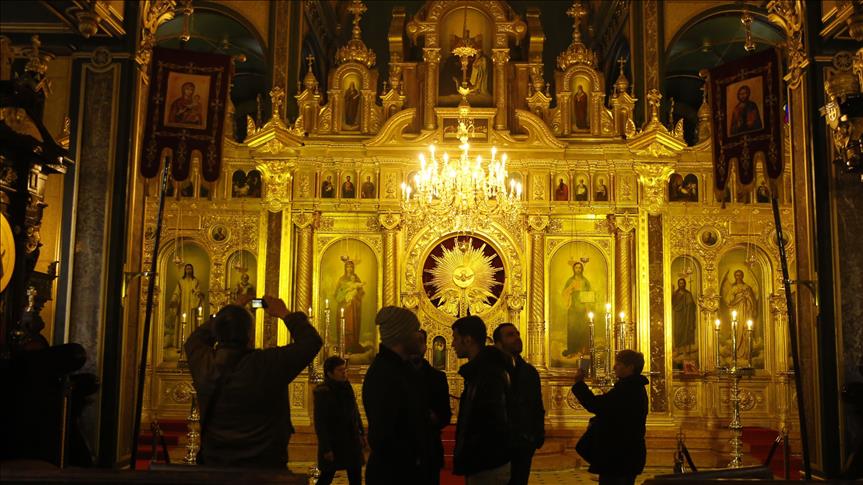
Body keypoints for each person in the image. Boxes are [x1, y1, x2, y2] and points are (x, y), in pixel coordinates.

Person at [184, 296, 323, 467]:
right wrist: (284, 313)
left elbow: (195, 339)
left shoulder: (203, 363)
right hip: (263, 464)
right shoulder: (267, 364)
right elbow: (311, 342)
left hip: (216, 462)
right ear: (250, 335)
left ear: (217, 333)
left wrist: (227, 314)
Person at [362, 306, 427, 484]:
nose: (419, 336)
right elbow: (384, 433)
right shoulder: (385, 373)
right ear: (402, 335)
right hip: (394, 474)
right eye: (415, 330)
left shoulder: (400, 368)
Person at [571, 349, 649, 485]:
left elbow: (596, 405)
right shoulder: (633, 387)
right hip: (624, 454)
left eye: (618, 364)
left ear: (630, 367)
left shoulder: (628, 389)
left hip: (619, 456)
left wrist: (579, 384)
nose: (614, 367)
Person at [452, 315, 512, 484]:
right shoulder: (482, 370)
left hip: (487, 463)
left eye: (455, 338)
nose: (452, 344)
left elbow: (491, 422)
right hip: (483, 462)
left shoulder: (488, 373)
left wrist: (472, 452)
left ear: (468, 340)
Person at [493, 323, 545, 485]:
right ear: (498, 343)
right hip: (497, 444)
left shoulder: (529, 371)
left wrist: (535, 437)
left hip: (523, 444)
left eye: (517, 334)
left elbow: (537, 406)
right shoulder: (491, 370)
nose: (517, 338)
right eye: (510, 335)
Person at [314, 356, 365, 485]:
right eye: (340, 370)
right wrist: (326, 448)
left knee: (356, 477)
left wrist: (361, 432)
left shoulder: (347, 386)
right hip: (334, 441)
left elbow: (354, 411)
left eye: (345, 370)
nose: (344, 373)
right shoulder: (323, 391)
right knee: (326, 477)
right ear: (330, 373)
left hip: (351, 440)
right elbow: (320, 422)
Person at [411, 329, 452, 485]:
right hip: (403, 451)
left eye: (420, 341)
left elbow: (445, 415)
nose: (416, 346)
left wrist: (433, 417)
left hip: (429, 448)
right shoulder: (395, 375)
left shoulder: (437, 377)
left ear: (425, 346)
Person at [168, 263, 203, 349]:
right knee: (182, 322)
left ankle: (191, 344)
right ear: (185, 270)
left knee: (192, 323)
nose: (188, 270)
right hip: (182, 305)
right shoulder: (181, 281)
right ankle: (181, 344)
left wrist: (197, 294)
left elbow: (198, 292)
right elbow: (176, 292)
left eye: (190, 269)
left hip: (192, 306)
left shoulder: (195, 281)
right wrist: (174, 299)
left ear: (192, 270)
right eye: (187, 269)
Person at [334, 258, 365, 354]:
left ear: (353, 268)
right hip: (343, 307)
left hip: (353, 308)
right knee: (343, 325)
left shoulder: (356, 278)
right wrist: (343, 295)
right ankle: (343, 345)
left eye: (351, 267)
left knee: (352, 326)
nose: (349, 269)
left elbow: (361, 292)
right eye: (348, 267)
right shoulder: (341, 279)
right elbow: (336, 294)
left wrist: (355, 296)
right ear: (345, 268)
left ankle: (352, 345)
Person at [562, 262, 593, 357]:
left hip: (583, 308)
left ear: (582, 269)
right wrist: (570, 290)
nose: (578, 269)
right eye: (576, 268)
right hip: (573, 307)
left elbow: (590, 294)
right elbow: (564, 293)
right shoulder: (570, 280)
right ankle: (572, 350)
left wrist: (587, 307)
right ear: (574, 269)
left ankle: (582, 350)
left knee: (582, 328)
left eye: (580, 268)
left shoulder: (585, 281)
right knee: (572, 328)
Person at [672, 278, 697, 367]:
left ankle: (686, 351)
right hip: (678, 315)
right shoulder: (676, 294)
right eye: (680, 283)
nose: (681, 284)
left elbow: (692, 305)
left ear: (685, 284)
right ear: (678, 284)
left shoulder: (688, 294)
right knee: (678, 332)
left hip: (686, 316)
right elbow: (673, 303)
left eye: (683, 283)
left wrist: (690, 304)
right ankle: (678, 351)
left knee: (686, 332)